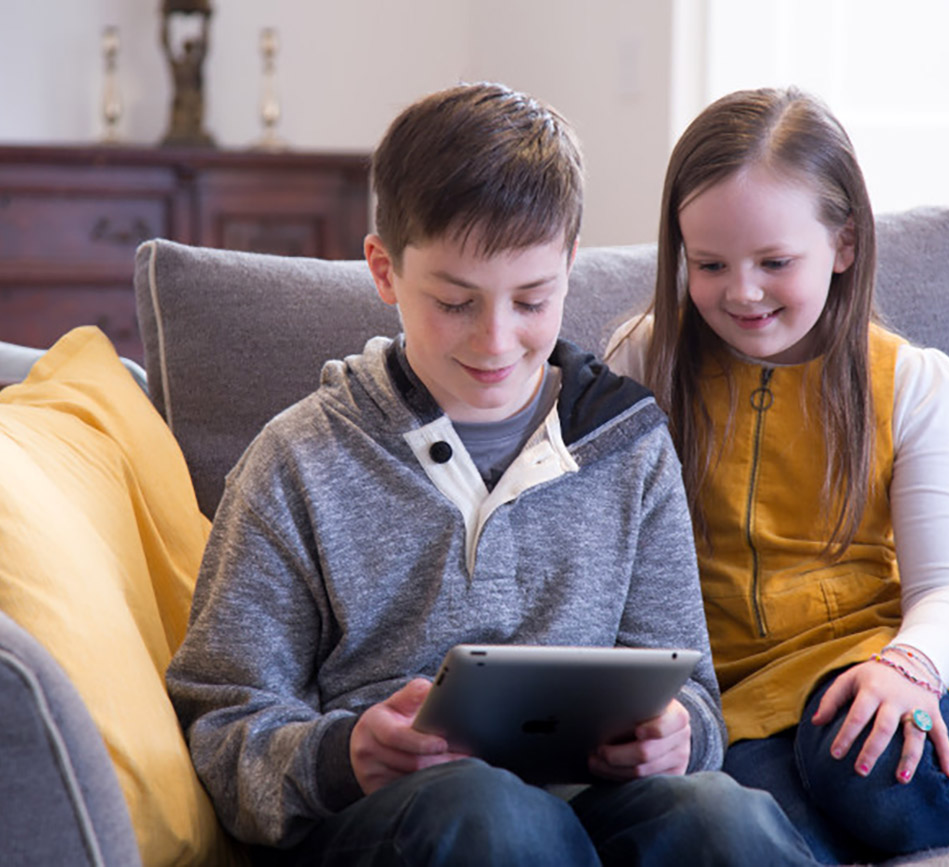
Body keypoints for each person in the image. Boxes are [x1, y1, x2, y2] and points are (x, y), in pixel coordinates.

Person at [166, 82, 816, 867]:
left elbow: (693, 697)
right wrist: (340, 756)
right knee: (494, 817)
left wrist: (678, 735)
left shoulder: (629, 443)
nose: (497, 340)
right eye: (455, 302)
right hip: (401, 820)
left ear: (569, 265)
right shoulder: (298, 459)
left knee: (722, 816)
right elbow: (222, 726)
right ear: (383, 270)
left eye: (531, 300)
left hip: (592, 809)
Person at [606, 86, 949, 864]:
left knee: (862, 764)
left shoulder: (910, 381)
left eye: (774, 262)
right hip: (737, 704)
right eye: (708, 264)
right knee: (747, 828)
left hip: (877, 664)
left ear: (843, 244)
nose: (741, 291)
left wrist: (907, 667)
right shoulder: (643, 360)